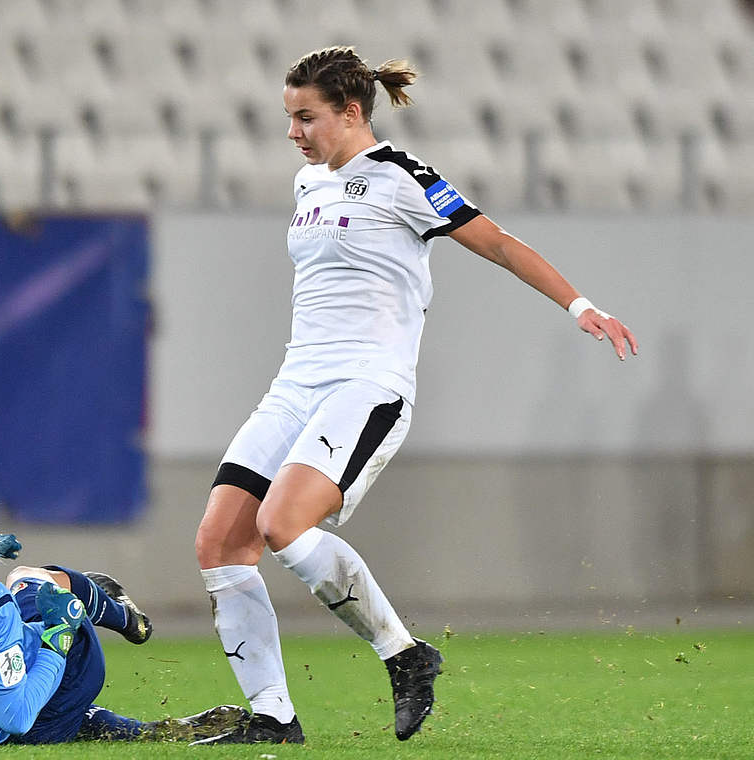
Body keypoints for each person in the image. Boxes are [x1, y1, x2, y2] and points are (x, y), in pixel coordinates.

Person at [192, 46, 639, 745]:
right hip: (295, 383)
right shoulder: (309, 183)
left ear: (350, 111)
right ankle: (273, 718)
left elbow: (496, 243)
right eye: (288, 118)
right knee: (220, 541)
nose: (293, 133)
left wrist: (578, 305)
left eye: (305, 117)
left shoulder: (401, 177)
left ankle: (404, 655)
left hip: (368, 385)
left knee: (282, 525)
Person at [0, 430, 248, 745]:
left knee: (8, 610)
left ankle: (136, 730)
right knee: (31, 579)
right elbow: (17, 718)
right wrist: (58, 638)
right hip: (22, 725)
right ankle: (125, 619)